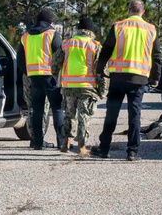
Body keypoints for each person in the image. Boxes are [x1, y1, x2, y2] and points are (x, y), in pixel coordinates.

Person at [91, 0, 162, 161]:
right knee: (134, 114)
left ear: (129, 10)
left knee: (112, 113)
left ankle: (104, 148)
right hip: (139, 78)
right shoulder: (150, 29)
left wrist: (100, 70)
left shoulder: (118, 27)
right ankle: (132, 151)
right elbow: (156, 56)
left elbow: (106, 50)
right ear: (143, 12)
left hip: (118, 77)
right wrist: (155, 78)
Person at [53, 16, 101, 156]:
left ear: (78, 30)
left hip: (68, 86)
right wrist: (102, 89)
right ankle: (81, 147)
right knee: (83, 116)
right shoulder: (95, 45)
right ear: (91, 31)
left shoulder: (66, 44)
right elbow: (101, 70)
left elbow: (54, 64)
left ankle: (65, 143)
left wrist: (58, 79)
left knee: (69, 115)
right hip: (87, 86)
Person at [16, 8, 64, 150]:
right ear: (49, 21)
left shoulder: (26, 36)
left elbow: (20, 59)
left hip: (34, 77)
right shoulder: (52, 34)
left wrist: (28, 72)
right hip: (50, 76)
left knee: (37, 110)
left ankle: (37, 142)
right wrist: (58, 73)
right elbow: (61, 55)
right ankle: (61, 142)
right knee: (57, 108)